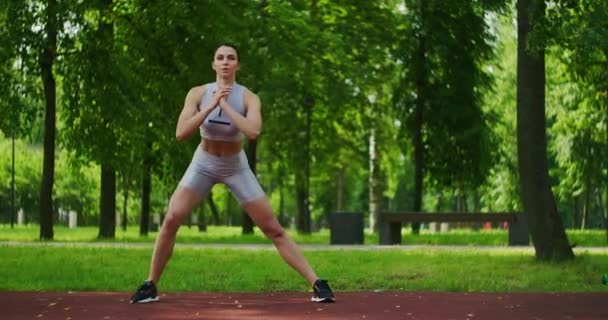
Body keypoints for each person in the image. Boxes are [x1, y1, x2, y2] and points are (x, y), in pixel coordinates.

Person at [130, 44, 335, 304]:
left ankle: (317, 283)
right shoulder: (197, 93)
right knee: (172, 218)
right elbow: (181, 133)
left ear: (238, 65)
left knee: (273, 228)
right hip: (203, 162)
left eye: (231, 58)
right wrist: (211, 105)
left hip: (235, 165)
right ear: (213, 64)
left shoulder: (249, 98)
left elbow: (252, 132)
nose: (225, 62)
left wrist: (225, 106)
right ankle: (150, 285)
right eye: (220, 58)